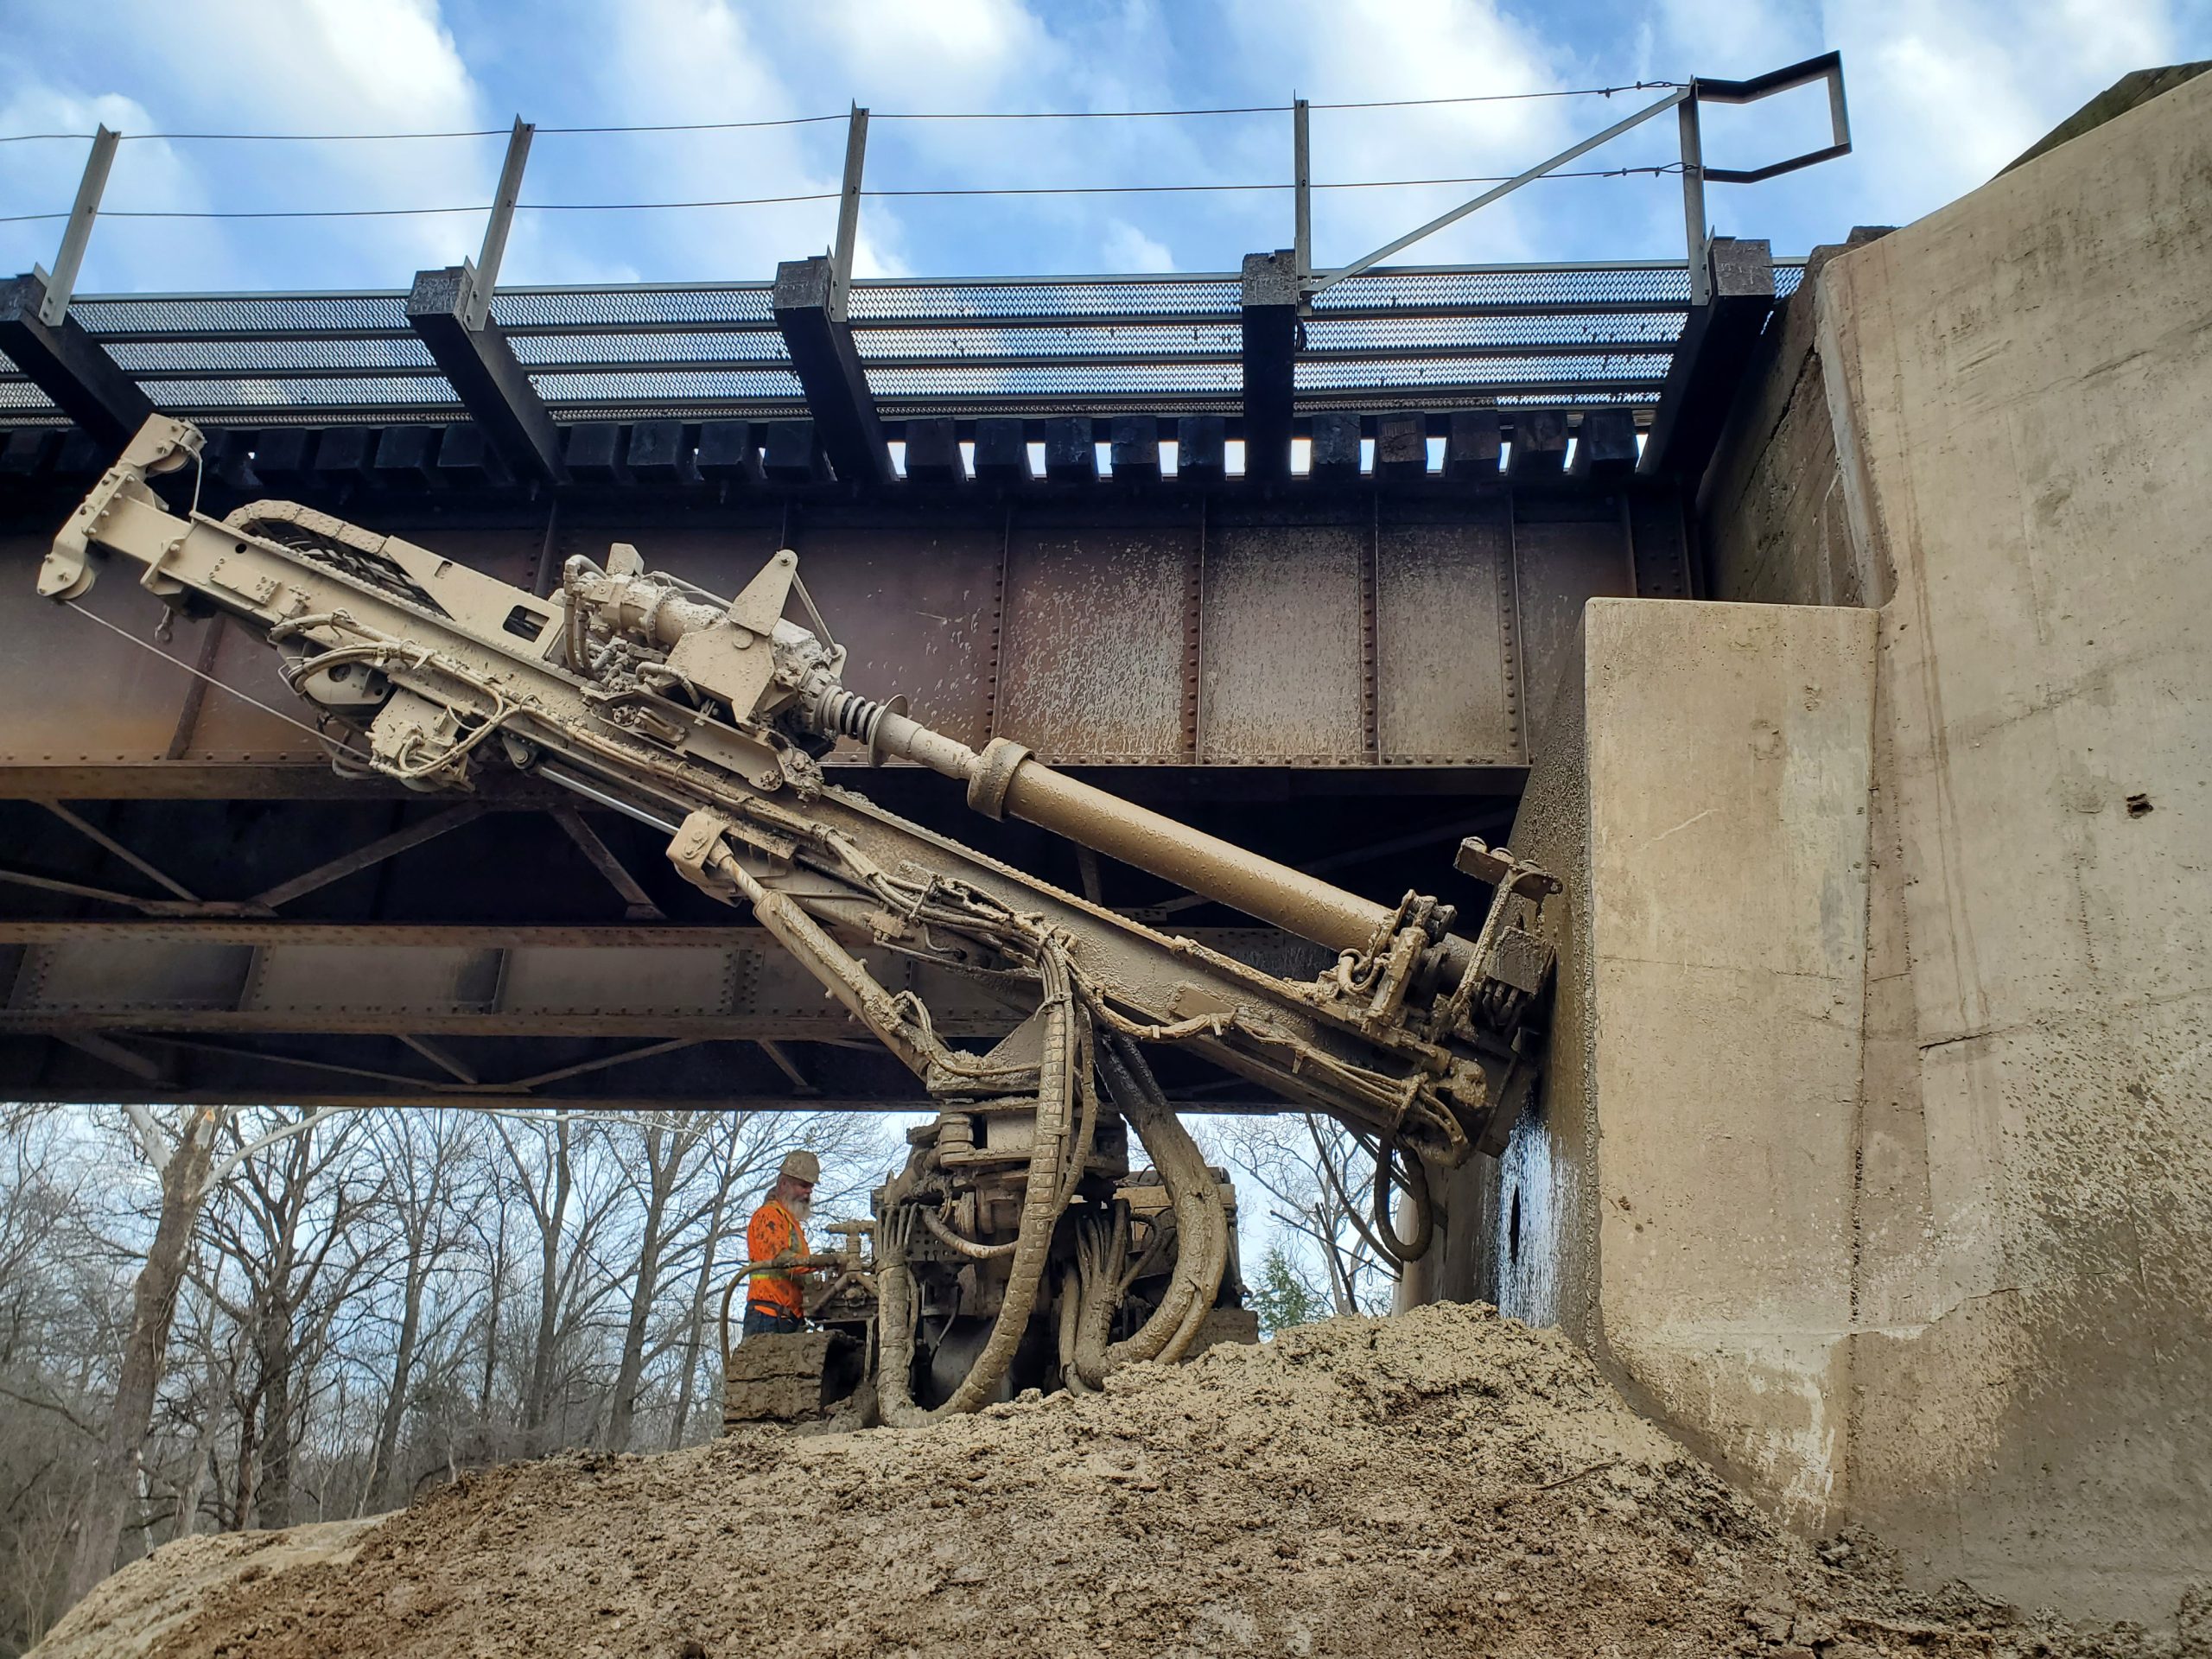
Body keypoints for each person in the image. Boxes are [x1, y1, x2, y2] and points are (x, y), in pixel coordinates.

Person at [742, 1148, 822, 1338]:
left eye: (811, 1186)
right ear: (784, 1184)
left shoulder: (789, 1221)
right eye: (803, 1185)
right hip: (768, 1317)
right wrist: (821, 1262)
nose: (808, 1192)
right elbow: (781, 1259)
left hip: (786, 1318)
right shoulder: (768, 1216)